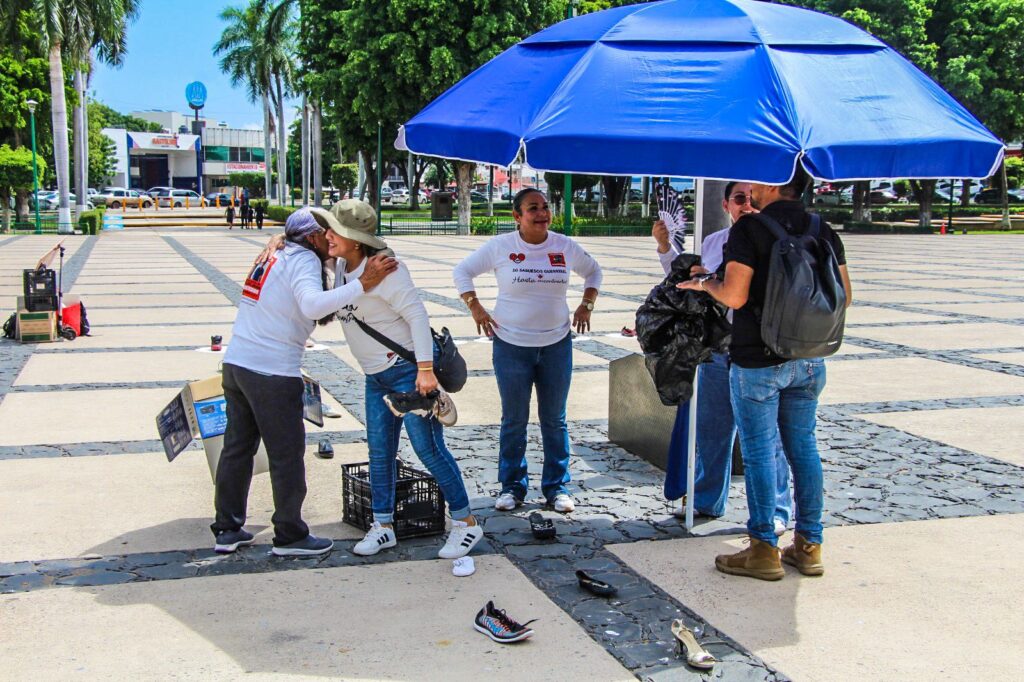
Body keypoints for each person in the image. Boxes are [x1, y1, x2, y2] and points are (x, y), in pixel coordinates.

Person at [678, 167, 853, 580]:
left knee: (758, 453)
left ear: (773, 183)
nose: (751, 187)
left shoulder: (750, 228)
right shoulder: (822, 228)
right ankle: (809, 546)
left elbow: (735, 295)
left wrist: (706, 284)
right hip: (810, 359)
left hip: (757, 359)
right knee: (803, 450)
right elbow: (845, 295)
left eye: (756, 179)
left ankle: (762, 550)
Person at [212, 208, 398, 557]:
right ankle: (290, 534)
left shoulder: (279, 252)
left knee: (237, 449)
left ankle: (227, 528)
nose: (331, 236)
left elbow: (312, 308)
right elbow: (313, 306)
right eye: (325, 231)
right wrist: (364, 283)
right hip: (271, 371)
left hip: (238, 363)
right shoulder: (302, 260)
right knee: (287, 455)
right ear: (311, 236)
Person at [453, 188, 603, 513]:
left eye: (545, 207)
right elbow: (462, 271)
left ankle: (556, 487)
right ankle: (512, 486)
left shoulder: (563, 245)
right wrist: (475, 306)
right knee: (514, 420)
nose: (542, 214)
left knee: (554, 419)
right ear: (517, 216)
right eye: (533, 208)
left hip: (556, 346)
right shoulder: (501, 246)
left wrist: (586, 304)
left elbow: (594, 271)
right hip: (510, 347)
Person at [654, 182, 793, 534]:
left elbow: (738, 294)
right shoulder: (715, 242)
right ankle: (706, 499)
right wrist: (681, 263)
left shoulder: (775, 239)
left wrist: (712, 284)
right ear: (726, 204)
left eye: (750, 198)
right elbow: (689, 281)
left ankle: (778, 509)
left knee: (767, 435)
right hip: (718, 349)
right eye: (738, 199)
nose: (746, 204)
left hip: (761, 351)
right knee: (713, 430)